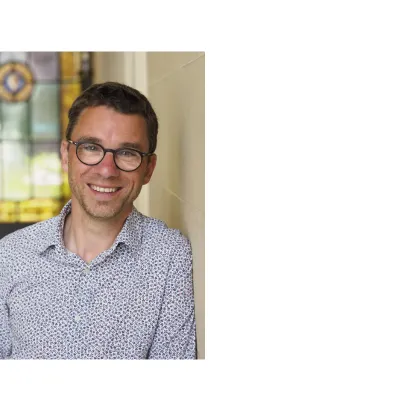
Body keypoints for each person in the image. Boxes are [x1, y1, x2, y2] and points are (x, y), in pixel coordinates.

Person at [0, 82, 196, 359]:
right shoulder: (10, 256)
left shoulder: (169, 257)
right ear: (66, 155)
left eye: (127, 153)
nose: (106, 170)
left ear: (148, 169)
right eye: (91, 147)